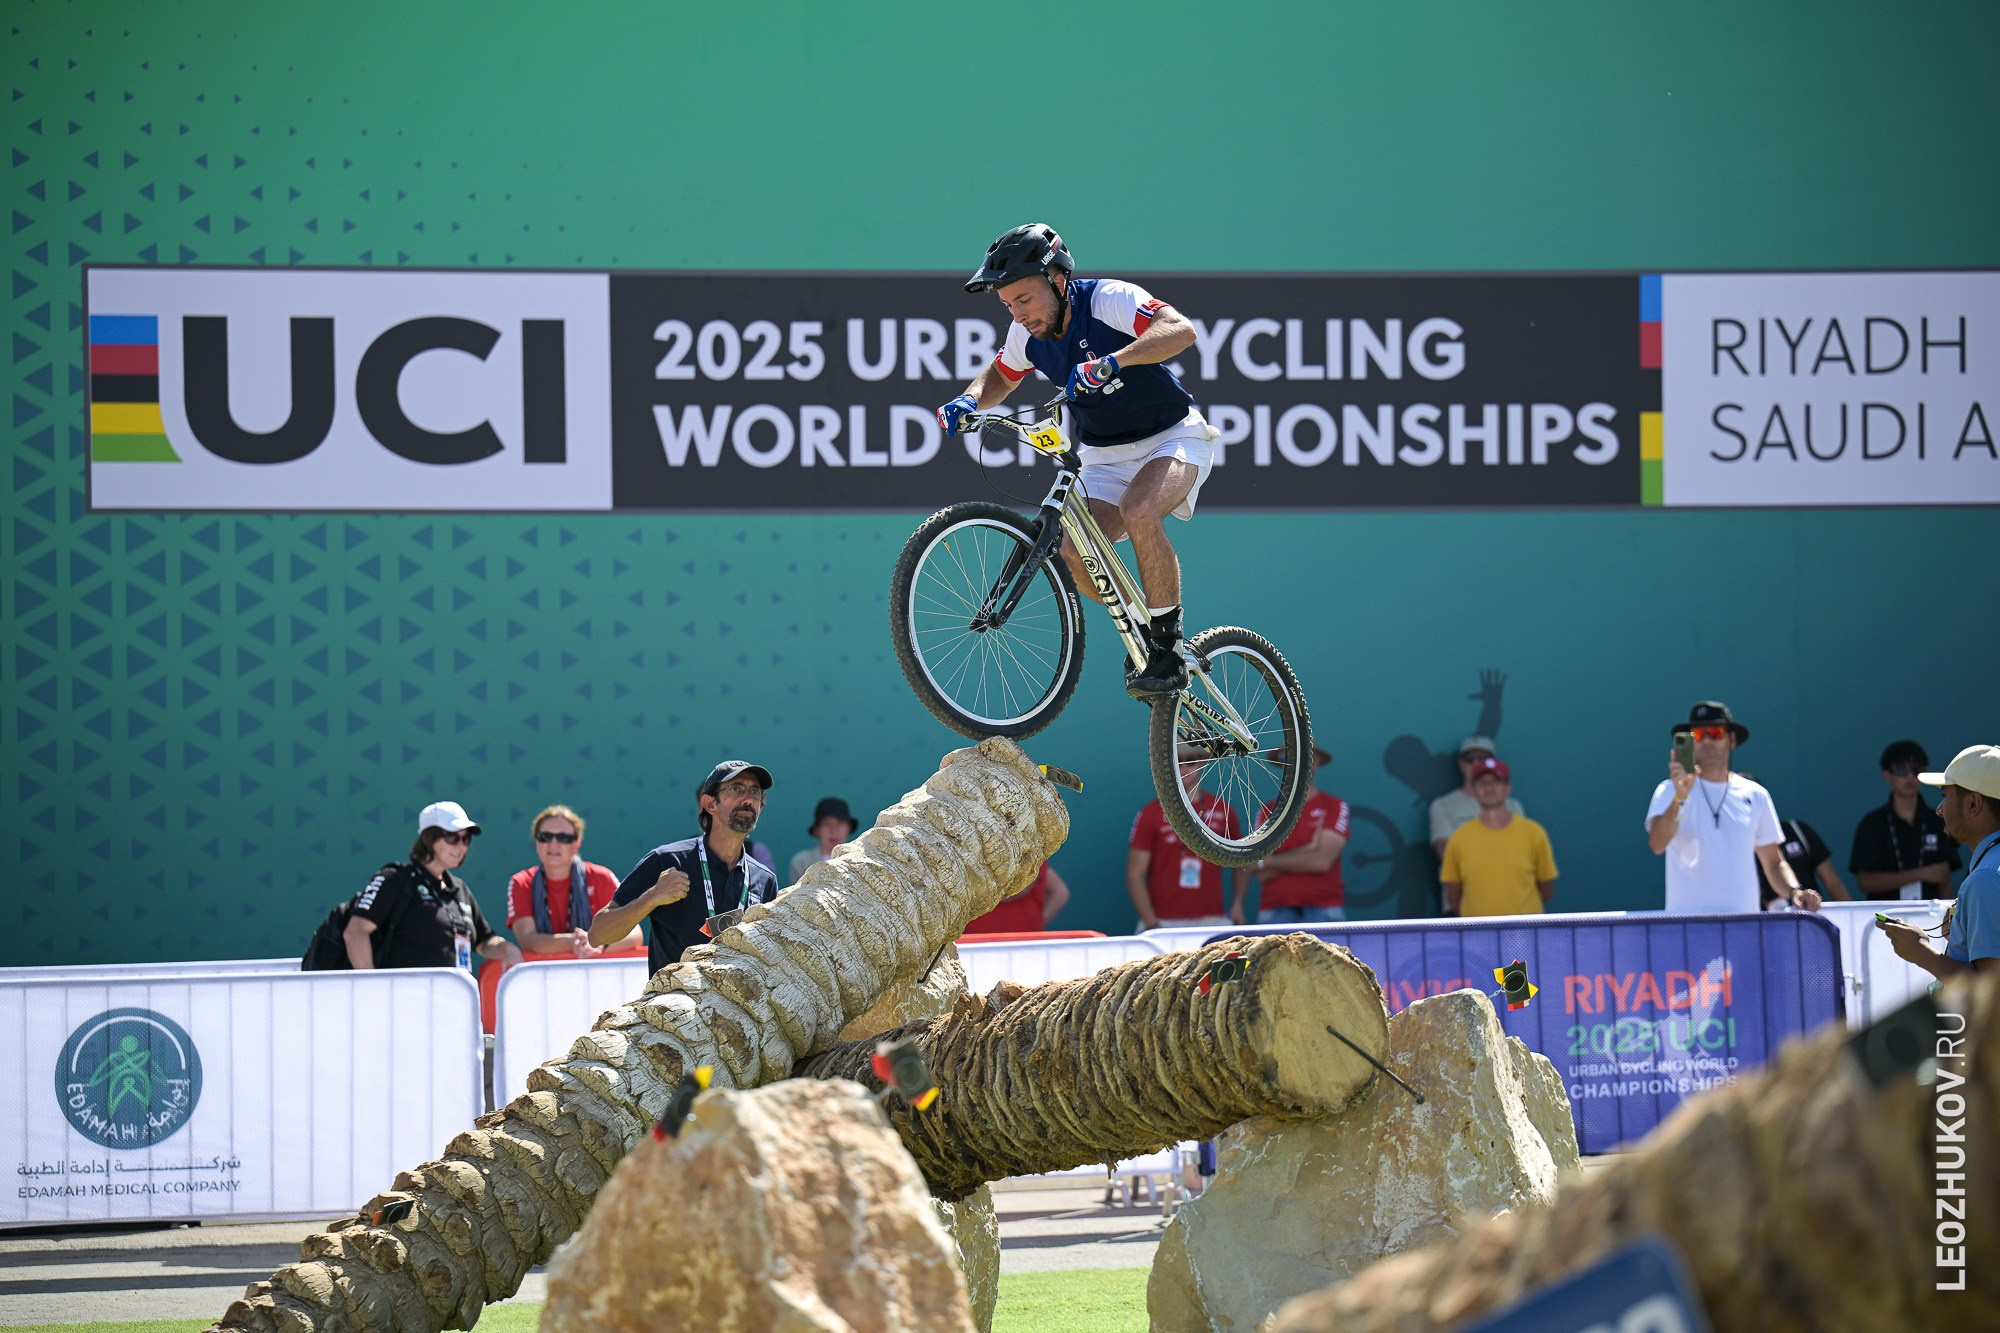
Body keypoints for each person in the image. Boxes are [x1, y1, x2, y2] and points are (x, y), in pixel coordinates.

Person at [939, 223, 1217, 697]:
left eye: (1024, 299)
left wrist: (1115, 361)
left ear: (1058, 280)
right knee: (1070, 554)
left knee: (1141, 510)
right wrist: (969, 399)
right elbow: (1002, 376)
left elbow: (1180, 331)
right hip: (1104, 456)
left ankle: (1168, 645)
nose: (1017, 313)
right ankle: (1145, 633)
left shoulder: (1109, 298)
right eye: (1007, 304)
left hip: (1172, 437)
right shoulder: (1026, 334)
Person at [590, 761, 782, 974]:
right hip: (676, 1003)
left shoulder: (764, 880)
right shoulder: (666, 860)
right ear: (710, 804)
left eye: (755, 792)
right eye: (736, 789)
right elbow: (598, 935)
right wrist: (652, 897)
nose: (748, 799)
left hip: (736, 1005)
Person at [1645, 702, 1821, 914]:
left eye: (1716, 733)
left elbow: (1774, 864)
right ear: (1690, 742)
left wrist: (1795, 892)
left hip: (1743, 926)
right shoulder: (1668, 790)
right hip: (1687, 926)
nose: (1707, 740)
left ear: (1732, 740)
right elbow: (1657, 844)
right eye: (1699, 735)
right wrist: (1680, 797)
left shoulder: (1755, 795)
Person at [344, 801, 523, 971]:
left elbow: (484, 941)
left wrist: (505, 948)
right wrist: (371, 984)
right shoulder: (396, 879)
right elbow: (356, 931)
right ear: (429, 839)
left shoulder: (459, 888)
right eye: (452, 837)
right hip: (403, 998)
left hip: (454, 998)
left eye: (465, 838)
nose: (461, 846)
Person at [1881, 744, 2000, 978]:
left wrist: (1921, 953)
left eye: (1945, 796)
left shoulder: (1985, 879)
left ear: (1973, 804)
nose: (1939, 810)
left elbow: (1993, 996)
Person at [505, 804, 638, 957]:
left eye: (563, 838)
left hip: (597, 974)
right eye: (545, 837)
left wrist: (597, 943)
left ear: (576, 844)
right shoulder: (521, 882)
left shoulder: (601, 877)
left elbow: (634, 933)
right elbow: (527, 939)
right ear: (536, 842)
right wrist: (572, 942)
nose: (553, 844)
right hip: (544, 977)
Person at [1128, 758, 1243, 930]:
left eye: (1191, 762)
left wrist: (1238, 903)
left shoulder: (1222, 808)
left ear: (1202, 764)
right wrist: (1151, 923)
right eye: (1177, 762)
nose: (1184, 769)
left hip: (1212, 919)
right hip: (1162, 922)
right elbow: (1134, 874)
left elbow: (1242, 860)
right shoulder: (1150, 812)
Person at [1440, 758, 1557, 917]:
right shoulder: (1459, 838)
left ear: (1508, 789)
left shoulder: (1534, 833)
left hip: (1524, 933)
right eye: (1482, 783)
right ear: (1474, 790)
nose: (1489, 788)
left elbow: (1546, 890)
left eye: (1496, 782)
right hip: (1478, 935)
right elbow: (1453, 894)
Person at [1252, 745, 1352, 924]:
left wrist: (1269, 862)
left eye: (1302, 756)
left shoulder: (1334, 805)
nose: (1294, 764)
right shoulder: (1266, 811)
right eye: (1287, 758)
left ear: (1316, 761)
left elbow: (1322, 861)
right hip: (1274, 910)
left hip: (1324, 910)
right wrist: (1309, 849)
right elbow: (1257, 870)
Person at [1851, 739, 1961, 901]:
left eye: (1916, 770)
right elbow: (1865, 882)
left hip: (1930, 914)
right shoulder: (1872, 823)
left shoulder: (1938, 819)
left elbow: (1943, 877)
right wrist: (1922, 874)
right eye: (1901, 770)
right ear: (1887, 775)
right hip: (1884, 915)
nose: (1910, 776)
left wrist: (1948, 920)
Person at [1429, 735, 1525, 858]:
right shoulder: (1442, 805)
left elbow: (1521, 848)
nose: (1475, 763)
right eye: (1469, 759)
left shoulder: (1513, 805)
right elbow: (1444, 851)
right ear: (1461, 764)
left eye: (1482, 758)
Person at [963, 863, 1072, 935]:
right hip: (974, 946)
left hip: (1023, 945)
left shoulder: (1030, 857)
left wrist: (1037, 922)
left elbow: (1061, 892)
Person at [790, 796, 859, 883]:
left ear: (849, 828)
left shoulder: (859, 861)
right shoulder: (801, 862)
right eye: (827, 824)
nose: (834, 830)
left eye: (840, 824)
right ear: (817, 830)